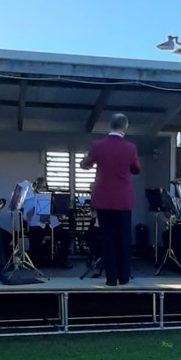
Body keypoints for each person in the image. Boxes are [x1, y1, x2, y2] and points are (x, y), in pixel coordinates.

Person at [80, 113, 141, 287]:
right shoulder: (130, 148)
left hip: (104, 198)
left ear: (110, 126)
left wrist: (89, 158)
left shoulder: (98, 145)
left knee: (107, 239)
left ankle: (111, 279)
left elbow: (85, 165)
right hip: (123, 200)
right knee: (124, 238)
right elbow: (136, 169)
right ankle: (124, 277)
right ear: (125, 127)